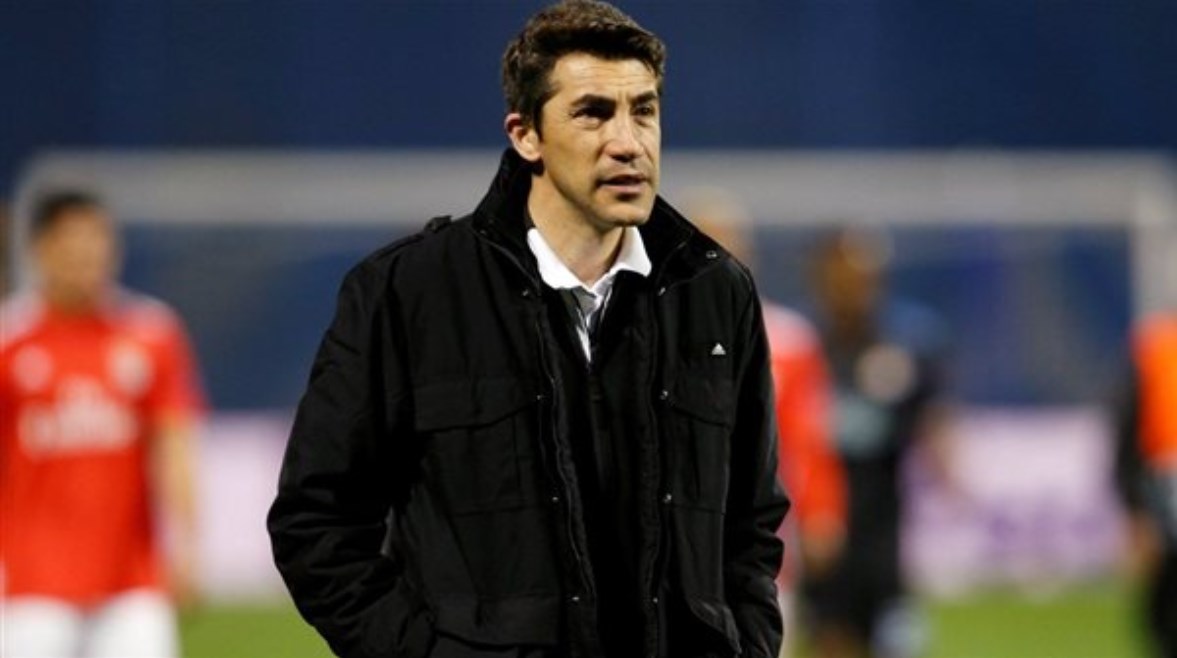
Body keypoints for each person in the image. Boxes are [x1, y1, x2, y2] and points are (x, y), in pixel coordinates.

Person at [266, 2, 789, 657]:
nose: (627, 142)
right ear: (525, 135)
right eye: (592, 113)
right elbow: (317, 521)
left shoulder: (714, 291)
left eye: (644, 111)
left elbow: (751, 522)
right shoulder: (408, 293)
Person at [0, 190, 204, 657]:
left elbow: (173, 442)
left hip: (132, 583)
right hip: (32, 585)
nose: (87, 254)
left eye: (97, 240)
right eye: (73, 241)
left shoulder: (151, 331)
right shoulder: (10, 339)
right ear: (41, 248)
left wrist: (188, 542)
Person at [685, 191, 847, 656]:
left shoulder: (790, 341)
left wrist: (822, 511)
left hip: (760, 541)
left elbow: (810, 438)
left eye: (728, 242)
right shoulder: (649, 331)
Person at [801, 229, 952, 658]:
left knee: (893, 638)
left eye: (863, 277)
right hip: (821, 524)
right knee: (832, 638)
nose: (853, 288)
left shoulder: (908, 343)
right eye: (841, 277)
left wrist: (947, 469)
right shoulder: (803, 345)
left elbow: (933, 417)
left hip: (883, 530)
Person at [1114, 312, 1177, 658]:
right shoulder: (1157, 347)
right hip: (1164, 484)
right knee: (1164, 598)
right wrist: (1135, 508)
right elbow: (1128, 430)